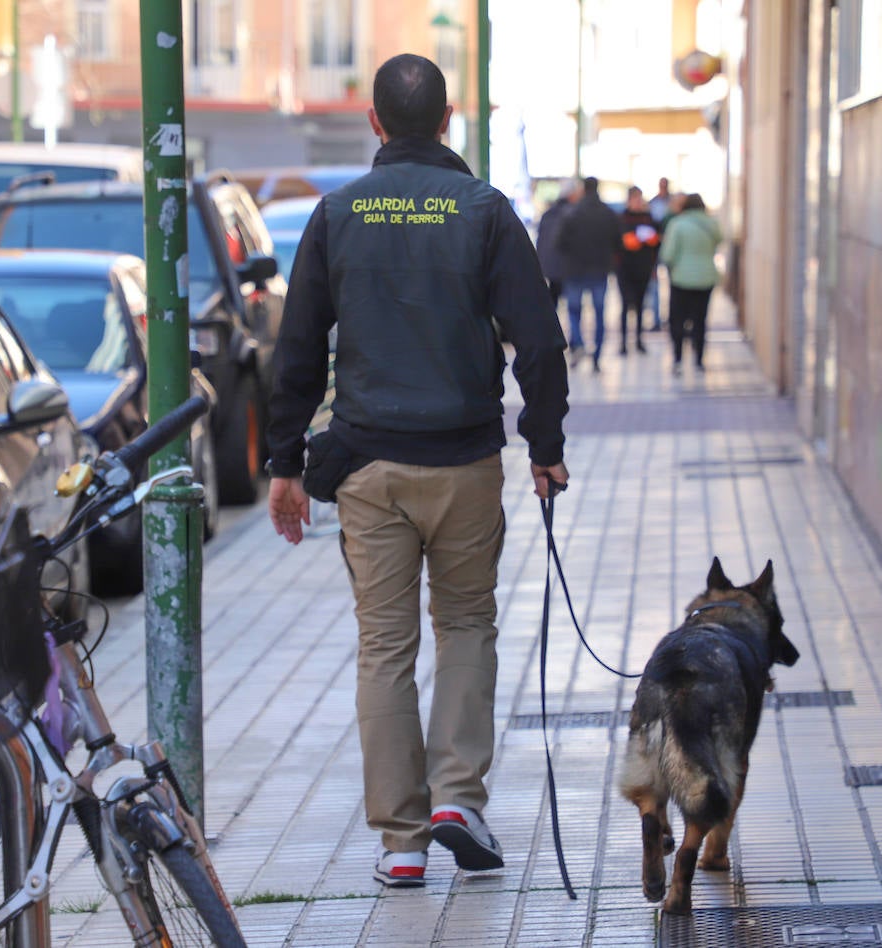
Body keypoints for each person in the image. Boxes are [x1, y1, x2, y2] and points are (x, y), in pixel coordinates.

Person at [265, 53, 570, 890]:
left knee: (384, 648)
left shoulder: (337, 214)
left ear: (374, 124)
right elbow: (538, 341)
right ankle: (458, 801)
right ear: (446, 122)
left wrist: (283, 464)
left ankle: (401, 839)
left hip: (367, 466)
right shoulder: (483, 209)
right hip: (465, 462)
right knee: (467, 626)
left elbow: (296, 350)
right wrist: (545, 447)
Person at [555, 175, 622, 372]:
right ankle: (597, 357)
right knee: (600, 313)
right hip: (600, 270)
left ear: (583, 189)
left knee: (574, 311)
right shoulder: (608, 213)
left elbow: (559, 242)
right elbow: (618, 242)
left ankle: (579, 343)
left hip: (574, 270)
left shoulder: (572, 213)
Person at [658, 192, 721, 374]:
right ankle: (699, 360)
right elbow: (720, 240)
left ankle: (678, 359)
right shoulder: (712, 223)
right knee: (700, 320)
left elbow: (668, 254)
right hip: (706, 278)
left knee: (678, 320)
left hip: (681, 279)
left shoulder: (677, 224)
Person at [616, 186, 659, 355]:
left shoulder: (648, 218)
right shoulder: (621, 218)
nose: (637, 202)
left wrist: (651, 239)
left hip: (643, 267)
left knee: (641, 305)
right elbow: (618, 241)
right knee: (626, 305)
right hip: (625, 269)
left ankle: (639, 340)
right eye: (634, 198)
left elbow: (657, 240)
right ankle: (624, 343)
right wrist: (631, 240)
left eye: (639, 198)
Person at [535, 179, 580, 308]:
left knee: (553, 300)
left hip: (550, 266)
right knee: (573, 306)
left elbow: (541, 241)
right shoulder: (573, 213)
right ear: (572, 194)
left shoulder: (548, 214)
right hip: (568, 266)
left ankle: (551, 327)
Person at [644, 177, 673, 331]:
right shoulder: (653, 203)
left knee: (673, 284)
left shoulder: (672, 204)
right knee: (654, 285)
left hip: (669, 247)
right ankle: (656, 319)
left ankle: (670, 318)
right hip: (655, 249)